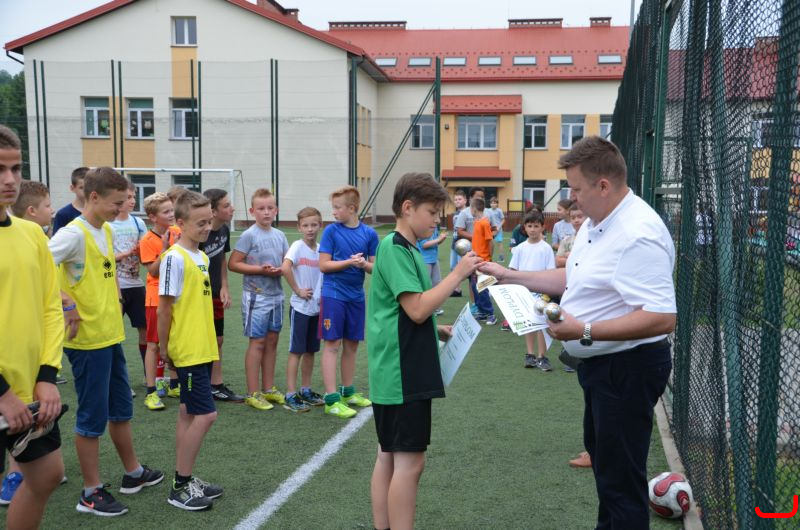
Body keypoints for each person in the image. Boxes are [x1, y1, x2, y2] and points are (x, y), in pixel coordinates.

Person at [480, 136, 676, 530]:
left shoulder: (638, 232)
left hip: (627, 369)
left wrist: (583, 329)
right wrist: (509, 274)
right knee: (608, 473)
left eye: (575, 189)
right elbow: (572, 277)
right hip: (602, 368)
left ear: (603, 185)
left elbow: (661, 316)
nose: (571, 198)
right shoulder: (596, 222)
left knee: (621, 484)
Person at [368, 172, 482, 530]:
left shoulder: (405, 247)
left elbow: (405, 312)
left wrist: (436, 327)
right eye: (432, 212)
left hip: (396, 368)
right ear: (408, 207)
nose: (437, 220)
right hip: (403, 372)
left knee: (389, 456)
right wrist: (457, 274)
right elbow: (416, 308)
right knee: (409, 463)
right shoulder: (396, 248)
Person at [49, 166, 164, 517]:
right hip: (87, 343)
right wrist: (66, 302)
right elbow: (36, 269)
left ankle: (133, 472)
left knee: (120, 409)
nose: (122, 208)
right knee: (92, 417)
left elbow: (105, 270)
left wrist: (114, 297)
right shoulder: (73, 234)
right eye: (117, 202)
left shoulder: (107, 230)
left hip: (110, 336)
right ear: (94, 196)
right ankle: (90, 491)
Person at [0, 125, 66, 529]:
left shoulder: (32, 234)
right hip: (4, 394)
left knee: (46, 476)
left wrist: (46, 377)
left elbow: (50, 309)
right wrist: (2, 393)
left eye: (15, 168)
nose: (10, 179)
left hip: (28, 392)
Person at [158, 191, 224, 510]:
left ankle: (184, 476)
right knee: (206, 414)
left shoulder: (202, 257)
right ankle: (180, 486)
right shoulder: (174, 258)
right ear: (180, 223)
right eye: (200, 223)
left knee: (187, 412)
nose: (207, 227)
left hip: (202, 347)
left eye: (209, 221)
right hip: (187, 349)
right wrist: (164, 347)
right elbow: (164, 309)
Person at [318, 185, 379, 418]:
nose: (333, 212)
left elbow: (376, 268)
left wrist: (364, 265)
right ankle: (331, 400)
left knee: (352, 345)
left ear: (352, 209)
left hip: (356, 296)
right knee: (332, 344)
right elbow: (324, 265)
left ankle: (347, 393)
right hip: (333, 295)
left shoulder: (369, 234)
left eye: (337, 208)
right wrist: (349, 262)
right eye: (333, 207)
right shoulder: (331, 232)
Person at [229, 188, 289, 411]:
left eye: (270, 208)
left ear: (276, 210)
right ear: (252, 211)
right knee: (258, 342)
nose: (266, 212)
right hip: (256, 296)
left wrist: (281, 269)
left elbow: (287, 262)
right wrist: (260, 270)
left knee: (272, 341)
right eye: (261, 208)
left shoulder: (280, 235)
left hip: (277, 295)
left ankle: (269, 388)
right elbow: (233, 263)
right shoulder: (249, 235)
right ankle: (253, 392)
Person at [280, 207, 326, 412]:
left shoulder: (321, 249)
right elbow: (285, 267)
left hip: (316, 309)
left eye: (314, 225)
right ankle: (290, 394)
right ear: (299, 227)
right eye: (305, 225)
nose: (310, 229)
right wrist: (298, 290)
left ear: (320, 225)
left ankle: (305, 390)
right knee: (296, 351)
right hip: (300, 309)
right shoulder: (297, 246)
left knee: (310, 351)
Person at [200, 189, 244, 403]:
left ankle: (216, 386)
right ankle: (196, 385)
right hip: (198, 297)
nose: (232, 208)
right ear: (213, 211)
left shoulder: (224, 229)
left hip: (216, 293)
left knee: (218, 339)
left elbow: (220, 259)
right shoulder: (201, 233)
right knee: (201, 340)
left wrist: (224, 286)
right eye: (226, 206)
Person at [140, 192, 182, 410]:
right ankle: (151, 391)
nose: (171, 214)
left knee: (174, 341)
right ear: (153, 217)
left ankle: (174, 384)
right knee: (154, 345)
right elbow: (153, 271)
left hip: (176, 295)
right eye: (166, 212)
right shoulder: (147, 240)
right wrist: (165, 249)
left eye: (171, 209)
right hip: (156, 298)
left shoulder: (178, 231)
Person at [110, 180, 148, 384]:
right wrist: (125, 254)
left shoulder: (138, 223)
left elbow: (145, 253)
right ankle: (118, 381)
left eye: (134, 197)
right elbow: (103, 257)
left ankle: (149, 376)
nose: (132, 201)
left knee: (146, 331)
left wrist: (143, 252)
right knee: (114, 334)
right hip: (115, 286)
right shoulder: (107, 224)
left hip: (136, 284)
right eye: (128, 198)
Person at [509, 209, 555, 370]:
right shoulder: (520, 248)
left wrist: (547, 293)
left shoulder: (546, 248)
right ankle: (530, 354)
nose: (533, 229)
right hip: (524, 293)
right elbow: (513, 271)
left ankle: (542, 356)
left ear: (542, 227)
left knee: (542, 324)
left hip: (542, 293)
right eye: (529, 226)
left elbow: (550, 272)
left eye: (536, 226)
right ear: (524, 227)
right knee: (529, 323)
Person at [468, 197, 497, 325]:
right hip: (475, 261)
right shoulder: (477, 222)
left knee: (482, 287)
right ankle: (482, 311)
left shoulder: (484, 223)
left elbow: (491, 242)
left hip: (482, 261)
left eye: (470, 207)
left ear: (474, 209)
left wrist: (488, 258)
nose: (470, 210)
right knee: (475, 287)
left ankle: (490, 314)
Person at [416, 219, 447, 316]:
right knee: (426, 285)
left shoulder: (435, 227)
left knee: (437, 283)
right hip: (425, 260)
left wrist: (441, 239)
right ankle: (424, 308)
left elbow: (436, 242)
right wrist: (439, 239)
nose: (438, 219)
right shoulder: (423, 226)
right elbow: (424, 245)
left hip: (434, 259)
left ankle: (435, 308)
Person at [52, 166, 88, 235]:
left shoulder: (98, 212)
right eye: (81, 187)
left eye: (89, 186)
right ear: (72, 188)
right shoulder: (63, 215)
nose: (86, 191)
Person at [448, 189, 467, 297]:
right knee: (453, 266)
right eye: (455, 199)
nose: (457, 201)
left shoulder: (468, 213)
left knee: (465, 269)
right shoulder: (455, 214)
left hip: (464, 245)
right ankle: (457, 289)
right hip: (454, 244)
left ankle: (479, 288)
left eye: (459, 199)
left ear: (465, 200)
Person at [555, 204, 586, 269]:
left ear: (587, 217)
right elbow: (558, 261)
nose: (576, 220)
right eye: (573, 218)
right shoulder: (566, 240)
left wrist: (570, 255)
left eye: (580, 217)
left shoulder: (594, 238)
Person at [487, 196, 506, 262]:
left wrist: (498, 227)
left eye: (495, 203)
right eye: (492, 203)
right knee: (490, 243)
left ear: (497, 204)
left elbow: (503, 220)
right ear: (490, 204)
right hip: (491, 230)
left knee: (499, 243)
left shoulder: (499, 210)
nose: (493, 204)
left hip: (498, 230)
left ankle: (501, 258)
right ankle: (489, 257)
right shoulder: (488, 211)